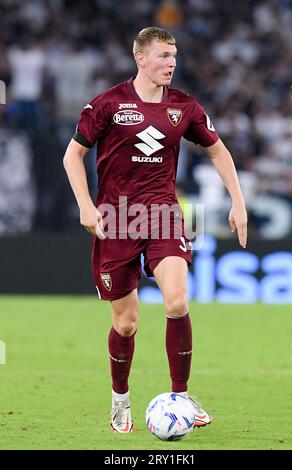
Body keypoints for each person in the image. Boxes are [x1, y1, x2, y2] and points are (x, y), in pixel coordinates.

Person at [63, 27, 247, 433]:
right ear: (140, 58)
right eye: (164, 57)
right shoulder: (107, 104)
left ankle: (180, 396)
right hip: (116, 220)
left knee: (177, 300)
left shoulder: (185, 107)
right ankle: (120, 401)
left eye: (174, 57)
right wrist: (86, 206)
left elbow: (218, 150)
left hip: (163, 214)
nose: (172, 64)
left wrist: (238, 200)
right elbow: (72, 156)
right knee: (126, 323)